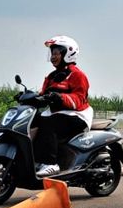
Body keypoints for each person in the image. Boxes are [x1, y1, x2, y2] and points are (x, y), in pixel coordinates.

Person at [33, 35, 94, 177]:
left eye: (56, 53)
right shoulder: (51, 76)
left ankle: (50, 163)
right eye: (51, 53)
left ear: (68, 53)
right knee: (34, 121)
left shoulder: (77, 75)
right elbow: (42, 94)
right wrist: (29, 97)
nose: (52, 57)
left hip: (77, 115)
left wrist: (60, 97)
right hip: (57, 114)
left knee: (49, 124)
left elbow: (79, 99)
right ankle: (36, 159)